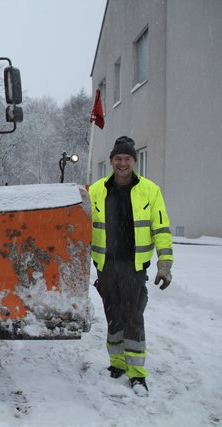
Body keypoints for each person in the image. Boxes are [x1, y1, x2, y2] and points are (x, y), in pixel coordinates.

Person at [89, 136, 173, 397]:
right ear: (112, 161)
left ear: (134, 162)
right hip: (106, 264)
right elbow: (81, 227)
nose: (122, 163)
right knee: (113, 317)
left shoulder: (150, 190)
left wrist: (165, 264)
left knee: (133, 318)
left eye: (127, 159)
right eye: (118, 159)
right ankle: (117, 365)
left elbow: (161, 229)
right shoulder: (95, 190)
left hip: (134, 266)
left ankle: (137, 374)